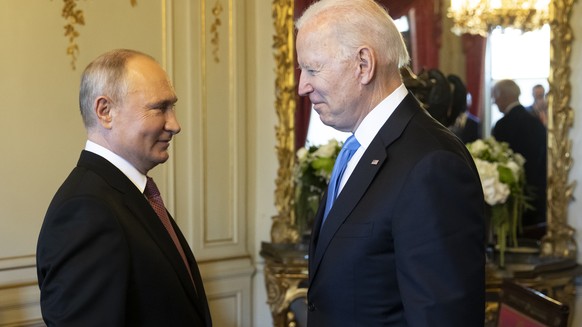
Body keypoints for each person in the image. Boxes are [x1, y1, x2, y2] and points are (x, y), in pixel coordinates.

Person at [295, 0, 486, 326]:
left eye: (312, 69)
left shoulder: (433, 164)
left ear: (363, 64)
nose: (303, 86)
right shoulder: (357, 148)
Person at [36, 49, 212, 326]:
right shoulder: (86, 211)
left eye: (172, 107)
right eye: (159, 108)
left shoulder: (126, 194)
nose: (175, 125)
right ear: (105, 111)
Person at [492, 79, 547, 230]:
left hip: (513, 198)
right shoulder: (536, 122)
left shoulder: (502, 126)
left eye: (494, 97)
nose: (494, 101)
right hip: (538, 194)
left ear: (503, 96)